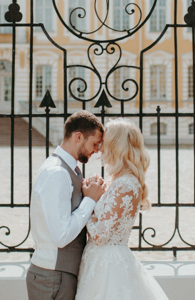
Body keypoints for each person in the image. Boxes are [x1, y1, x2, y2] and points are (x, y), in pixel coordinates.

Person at [75, 119, 169, 300]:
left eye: (103, 144)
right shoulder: (117, 181)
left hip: (109, 267)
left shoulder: (125, 184)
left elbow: (100, 236)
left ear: (115, 146)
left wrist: (88, 200)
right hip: (98, 262)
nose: (99, 149)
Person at [27, 111, 105, 300]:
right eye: (94, 143)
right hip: (53, 275)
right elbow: (61, 236)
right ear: (78, 136)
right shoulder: (57, 173)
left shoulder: (66, 170)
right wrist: (90, 200)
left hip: (57, 274)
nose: (96, 150)